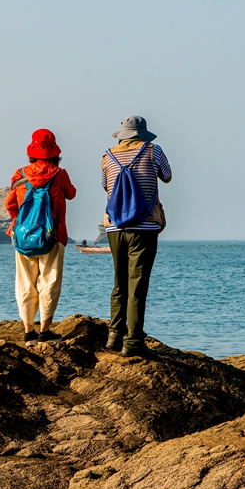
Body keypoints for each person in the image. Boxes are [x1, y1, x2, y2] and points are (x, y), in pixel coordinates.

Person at [101, 116, 172, 358]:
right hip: (144, 226)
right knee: (137, 284)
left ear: (122, 134)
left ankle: (114, 335)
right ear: (141, 133)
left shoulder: (107, 156)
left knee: (119, 282)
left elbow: (105, 186)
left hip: (114, 227)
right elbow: (167, 176)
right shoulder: (153, 151)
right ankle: (132, 342)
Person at [6, 129, 77, 347]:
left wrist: (21, 224)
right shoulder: (59, 174)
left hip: (23, 236)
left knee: (25, 282)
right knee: (50, 281)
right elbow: (71, 193)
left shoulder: (19, 175)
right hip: (52, 235)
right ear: (55, 152)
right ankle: (44, 332)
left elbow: (10, 204)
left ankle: (29, 333)